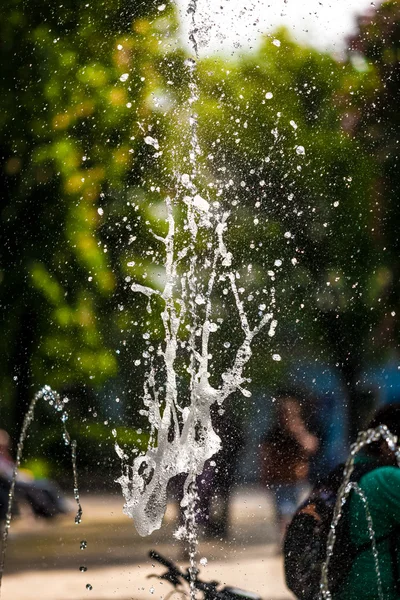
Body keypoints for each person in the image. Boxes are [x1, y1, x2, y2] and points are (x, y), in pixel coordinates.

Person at [333, 403, 400, 600]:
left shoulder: (354, 470)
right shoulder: (389, 478)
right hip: (379, 592)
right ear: (388, 444)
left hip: (345, 589)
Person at [260, 394, 319, 538]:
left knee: (297, 512)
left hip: (298, 481)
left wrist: (298, 432)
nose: (285, 418)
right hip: (279, 480)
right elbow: (264, 454)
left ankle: (291, 539)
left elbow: (312, 447)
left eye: (289, 414)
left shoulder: (300, 432)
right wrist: (264, 475)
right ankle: (287, 540)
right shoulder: (274, 433)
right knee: (284, 512)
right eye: (283, 414)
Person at [0, 429, 70, 520]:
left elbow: (12, 469)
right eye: (3, 445)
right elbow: (6, 473)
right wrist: (21, 477)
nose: (6, 447)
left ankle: (58, 508)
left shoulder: (4, 456)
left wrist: (22, 474)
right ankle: (49, 511)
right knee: (40, 487)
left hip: (16, 480)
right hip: (12, 483)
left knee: (47, 484)